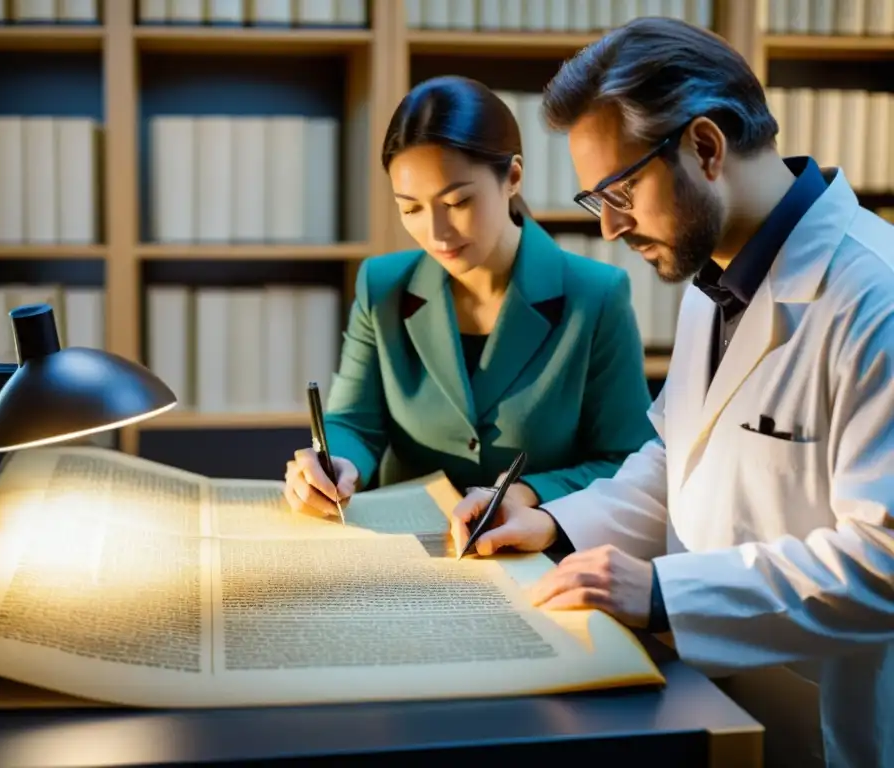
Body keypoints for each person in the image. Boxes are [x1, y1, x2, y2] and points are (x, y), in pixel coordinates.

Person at [449, 17, 894, 768]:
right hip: (723, 698)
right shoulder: (714, 281)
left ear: (707, 147)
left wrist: (662, 594)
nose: (613, 228)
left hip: (839, 725)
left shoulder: (873, 296)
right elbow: (680, 461)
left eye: (620, 191)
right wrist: (558, 525)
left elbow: (880, 566)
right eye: (598, 200)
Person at [283, 75, 656, 522]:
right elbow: (353, 422)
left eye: (457, 202)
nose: (436, 234)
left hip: (540, 556)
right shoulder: (381, 286)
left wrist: (532, 492)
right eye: (411, 208)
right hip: (404, 558)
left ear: (512, 177)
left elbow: (626, 461)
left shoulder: (596, 297)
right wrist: (337, 464)